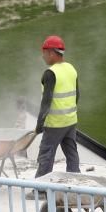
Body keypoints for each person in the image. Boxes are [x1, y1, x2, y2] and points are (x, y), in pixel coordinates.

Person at [34, 35, 80, 177]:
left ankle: (41, 189)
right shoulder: (71, 68)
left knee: (46, 155)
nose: (43, 57)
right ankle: (76, 182)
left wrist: (39, 124)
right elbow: (77, 94)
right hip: (70, 121)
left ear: (52, 53)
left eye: (44, 53)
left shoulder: (50, 73)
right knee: (71, 153)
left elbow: (46, 101)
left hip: (54, 124)